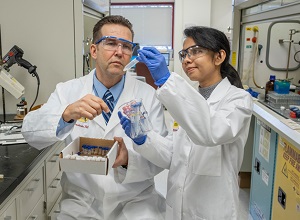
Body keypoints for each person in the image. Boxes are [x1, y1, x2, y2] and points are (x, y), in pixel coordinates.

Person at [21, 15, 168, 220]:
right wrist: (66, 114)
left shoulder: (147, 95)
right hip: (81, 203)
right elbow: (29, 132)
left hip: (136, 202)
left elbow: (163, 156)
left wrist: (128, 160)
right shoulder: (68, 91)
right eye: (111, 43)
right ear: (93, 50)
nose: (119, 52)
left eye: (126, 46)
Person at [118, 26, 253, 219]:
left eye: (196, 51)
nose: (187, 59)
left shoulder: (238, 100)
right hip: (178, 207)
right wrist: (143, 137)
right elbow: (174, 157)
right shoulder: (188, 102)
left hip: (212, 210)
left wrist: (166, 80)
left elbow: (210, 132)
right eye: (184, 54)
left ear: (219, 57)